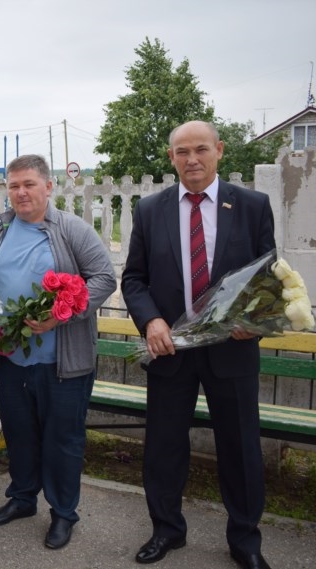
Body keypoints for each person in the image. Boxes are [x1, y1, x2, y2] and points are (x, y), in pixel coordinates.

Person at [121, 121, 275, 569]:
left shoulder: (251, 206)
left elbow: (268, 276)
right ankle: (167, 530)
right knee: (165, 446)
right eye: (182, 151)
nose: (192, 159)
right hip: (171, 351)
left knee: (241, 447)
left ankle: (245, 539)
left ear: (219, 151)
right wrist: (150, 321)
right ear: (171, 158)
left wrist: (254, 320)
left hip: (232, 348)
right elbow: (134, 279)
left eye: (201, 150)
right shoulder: (151, 210)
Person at [0, 154, 116, 550]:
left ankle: (63, 514)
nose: (20, 192)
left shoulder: (72, 230)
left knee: (63, 440)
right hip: (13, 360)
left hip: (63, 363)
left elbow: (105, 278)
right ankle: (22, 500)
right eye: (13, 185)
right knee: (19, 435)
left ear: (48, 186)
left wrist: (61, 314)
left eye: (29, 184)